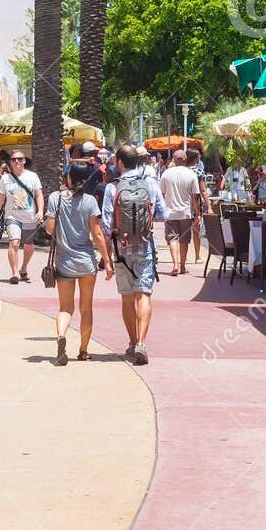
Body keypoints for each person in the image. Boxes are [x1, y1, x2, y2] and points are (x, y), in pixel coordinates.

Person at [42, 161, 115, 365]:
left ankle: (61, 335)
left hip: (64, 262)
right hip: (86, 264)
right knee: (86, 307)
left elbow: (49, 229)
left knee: (65, 307)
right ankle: (83, 350)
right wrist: (107, 262)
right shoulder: (90, 201)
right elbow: (97, 234)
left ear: (68, 178)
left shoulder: (56, 198)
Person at [103, 144, 164, 365]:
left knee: (127, 299)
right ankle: (142, 343)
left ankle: (131, 342)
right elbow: (162, 215)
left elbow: (107, 225)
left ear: (120, 163)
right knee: (144, 295)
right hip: (146, 247)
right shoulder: (151, 185)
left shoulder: (113, 189)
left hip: (122, 250)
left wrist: (107, 255)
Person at [0, 148, 43, 284]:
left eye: (20, 159)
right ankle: (14, 273)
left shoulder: (32, 176)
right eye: (14, 159)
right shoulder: (6, 179)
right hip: (12, 217)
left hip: (30, 216)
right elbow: (0, 200)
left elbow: (39, 195)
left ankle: (23, 268)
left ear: (24, 161)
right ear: (10, 162)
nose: (17, 161)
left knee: (29, 245)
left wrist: (40, 211)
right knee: (14, 242)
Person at [159, 148, 205, 276]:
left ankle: (175, 264)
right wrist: (197, 214)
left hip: (170, 212)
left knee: (172, 238)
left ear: (173, 160)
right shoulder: (191, 175)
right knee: (184, 240)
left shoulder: (166, 174)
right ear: (185, 160)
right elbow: (195, 196)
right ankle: (183, 266)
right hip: (186, 213)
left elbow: (161, 194)